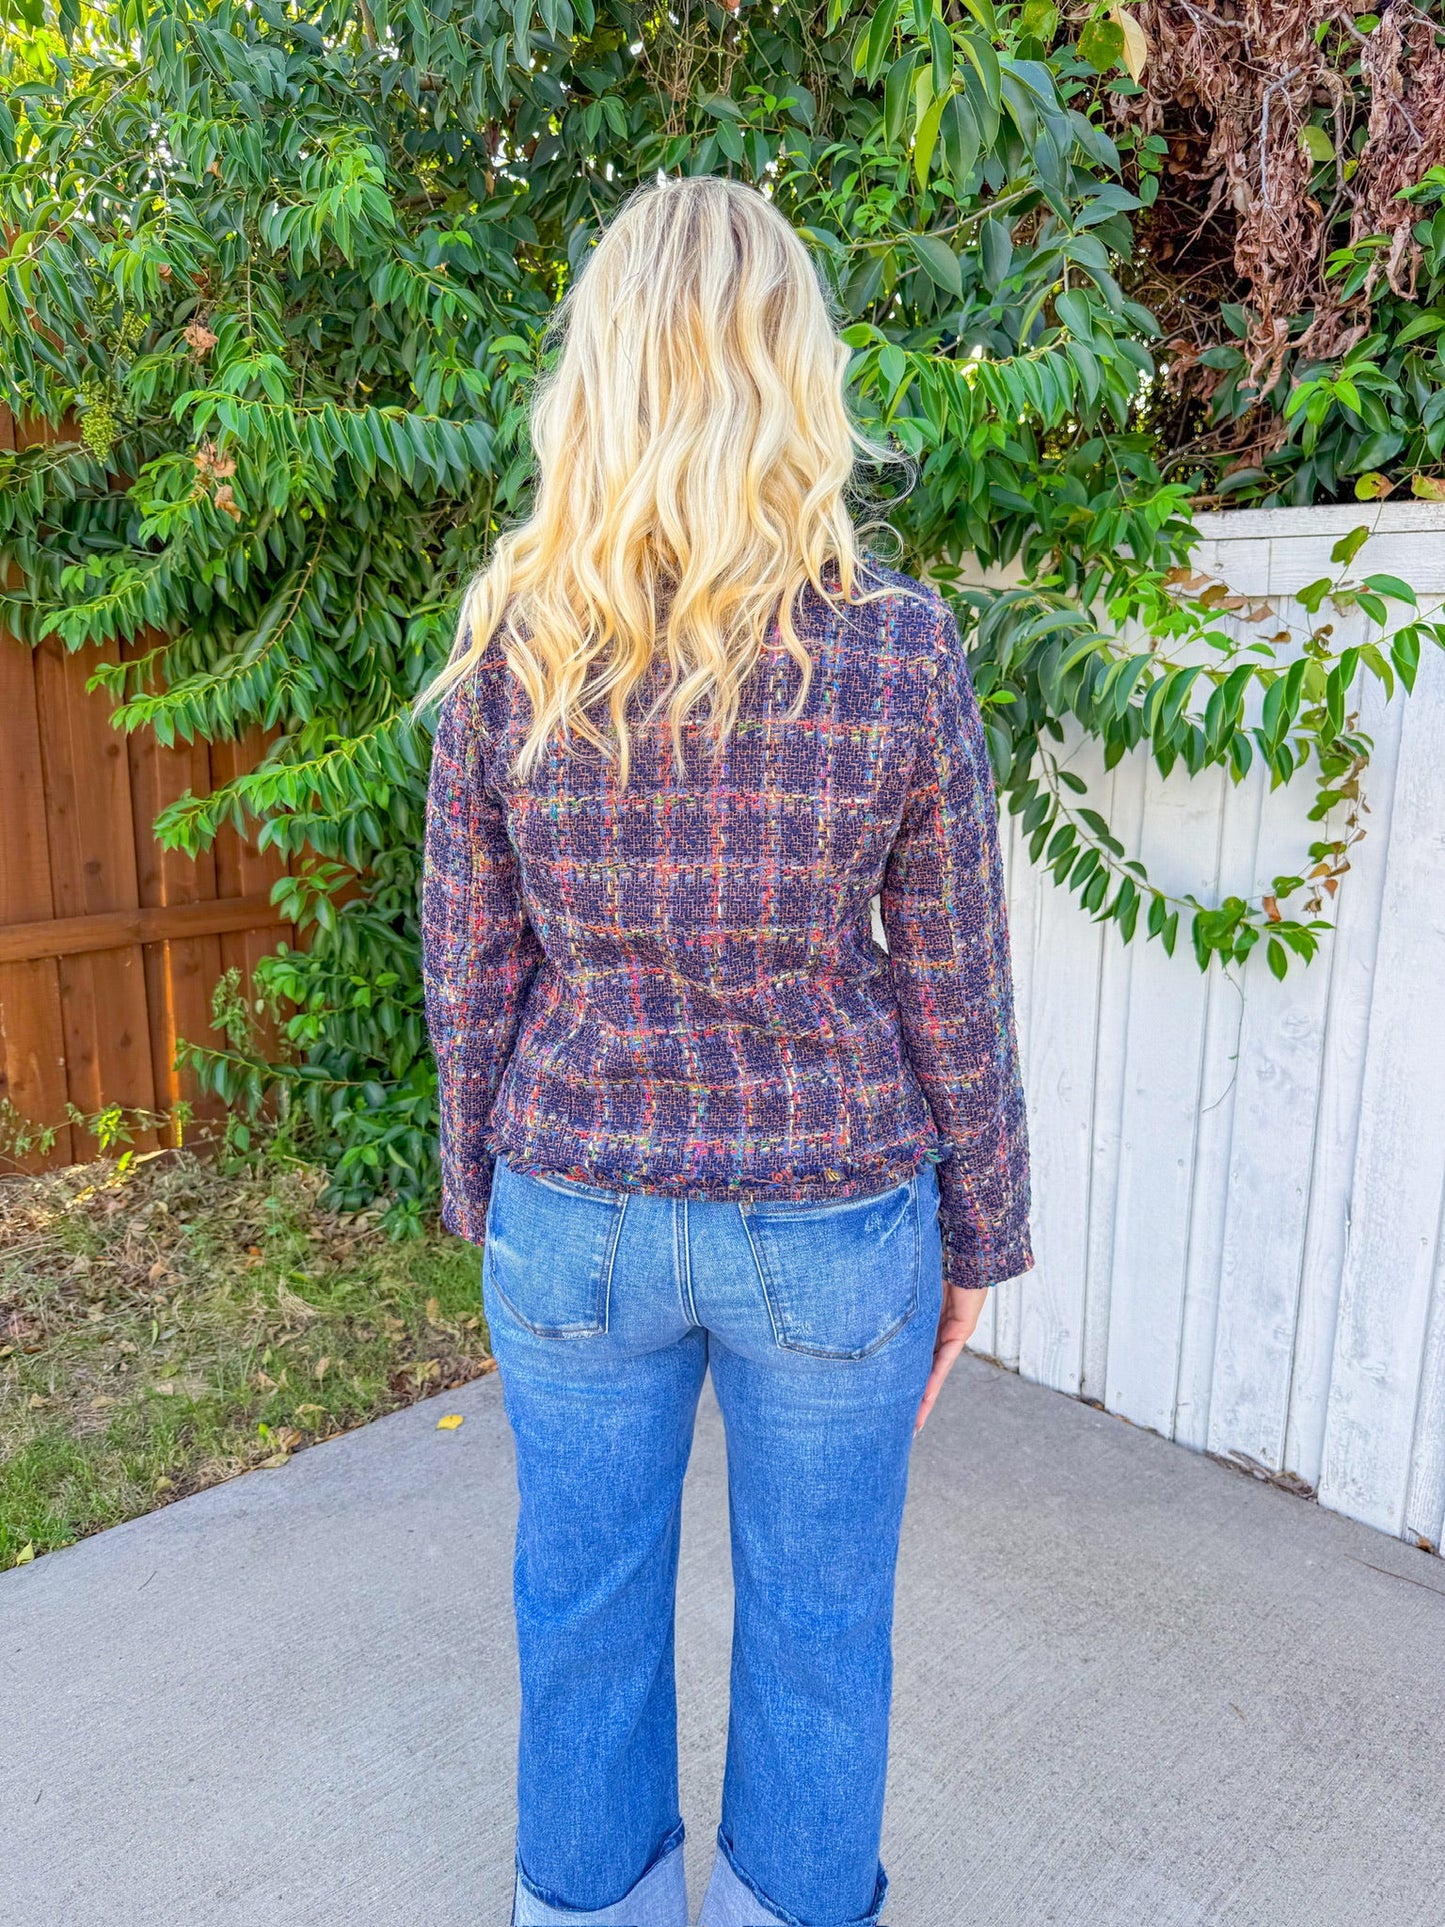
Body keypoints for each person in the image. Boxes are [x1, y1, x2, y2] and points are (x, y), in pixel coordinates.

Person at [419, 175, 1032, 1927]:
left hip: (574, 1210)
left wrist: (489, 1202)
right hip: (833, 1217)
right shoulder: (901, 648)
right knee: (825, 1628)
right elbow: (955, 981)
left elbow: (466, 965)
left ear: (596, 376)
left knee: (579, 1613)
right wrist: (977, 1239)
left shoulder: (510, 652)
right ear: (797, 375)